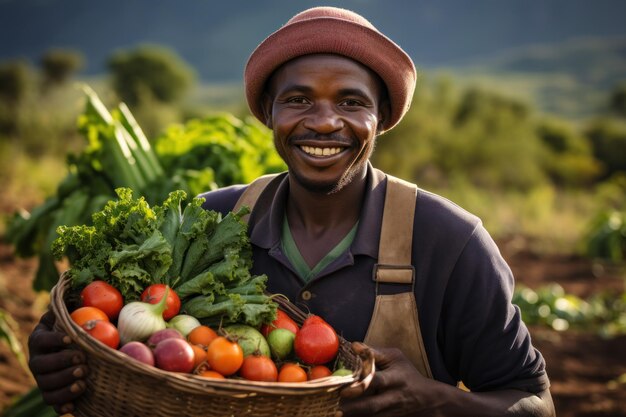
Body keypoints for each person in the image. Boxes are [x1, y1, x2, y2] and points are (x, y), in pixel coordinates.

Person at [28, 6, 555, 416]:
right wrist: (54, 353)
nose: (324, 122)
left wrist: (436, 401)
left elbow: (534, 403)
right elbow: (99, 316)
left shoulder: (448, 242)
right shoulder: (212, 221)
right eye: (298, 99)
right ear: (271, 115)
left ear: (381, 118)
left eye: (351, 102)